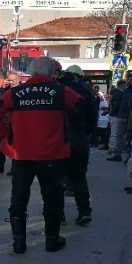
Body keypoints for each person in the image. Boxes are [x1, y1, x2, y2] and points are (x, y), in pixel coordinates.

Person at [0, 57, 86, 253]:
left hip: (22, 154)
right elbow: (82, 106)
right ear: (53, 74)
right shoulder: (60, 91)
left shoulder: (15, 93)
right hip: (53, 155)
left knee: (18, 199)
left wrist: (5, 135)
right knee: (52, 198)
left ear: (32, 73)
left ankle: (18, 242)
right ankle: (52, 240)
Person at [57, 64, 98, 225]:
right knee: (79, 177)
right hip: (79, 137)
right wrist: (86, 134)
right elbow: (92, 116)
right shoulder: (86, 91)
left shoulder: (57, 89)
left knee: (58, 178)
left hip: (60, 138)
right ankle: (84, 211)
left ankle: (59, 215)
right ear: (78, 76)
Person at [0, 72, 20, 173]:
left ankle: (14, 169)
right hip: (5, 123)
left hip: (16, 124)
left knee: (15, 147)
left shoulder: (21, 90)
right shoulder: (6, 90)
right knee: (0, 146)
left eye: (12, 80)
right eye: (8, 80)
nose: (10, 82)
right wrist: (1, 88)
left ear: (18, 80)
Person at [108, 76, 132, 162]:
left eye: (131, 80)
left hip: (131, 117)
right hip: (121, 116)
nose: (129, 81)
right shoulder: (126, 91)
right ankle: (117, 154)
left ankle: (130, 156)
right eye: (129, 80)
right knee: (118, 136)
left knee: (131, 138)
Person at [106, 79, 127, 158]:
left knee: (114, 133)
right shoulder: (118, 94)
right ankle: (113, 149)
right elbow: (117, 105)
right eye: (125, 86)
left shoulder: (116, 93)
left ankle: (113, 148)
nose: (126, 87)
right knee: (115, 133)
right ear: (122, 86)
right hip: (116, 115)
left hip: (114, 115)